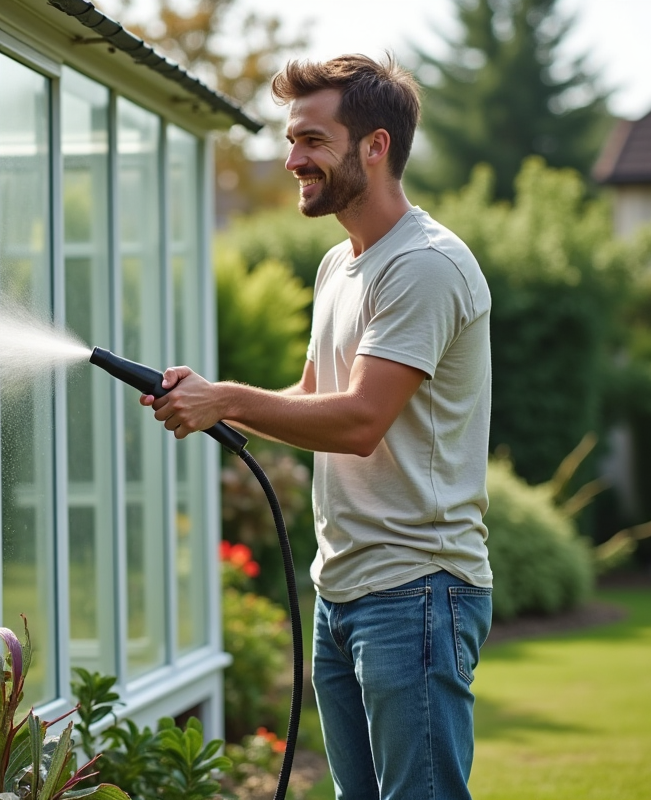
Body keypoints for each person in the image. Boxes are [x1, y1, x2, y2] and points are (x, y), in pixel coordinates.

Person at [142, 54, 493, 800]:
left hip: (417, 589)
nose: (293, 158)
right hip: (344, 589)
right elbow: (313, 394)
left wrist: (227, 399)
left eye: (312, 141)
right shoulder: (341, 264)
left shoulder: (425, 266)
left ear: (375, 146)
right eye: (292, 139)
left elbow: (362, 419)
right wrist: (209, 399)